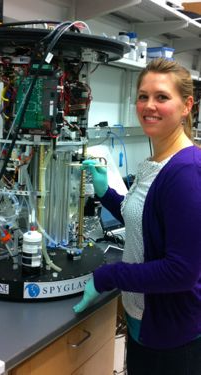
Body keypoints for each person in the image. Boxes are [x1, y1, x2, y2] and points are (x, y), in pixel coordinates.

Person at [73, 58, 201, 375]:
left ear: (187, 106)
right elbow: (147, 221)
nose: (148, 106)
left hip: (173, 335)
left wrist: (109, 276)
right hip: (143, 320)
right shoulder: (158, 159)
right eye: (143, 96)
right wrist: (106, 193)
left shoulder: (186, 171)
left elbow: (181, 271)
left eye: (161, 97)